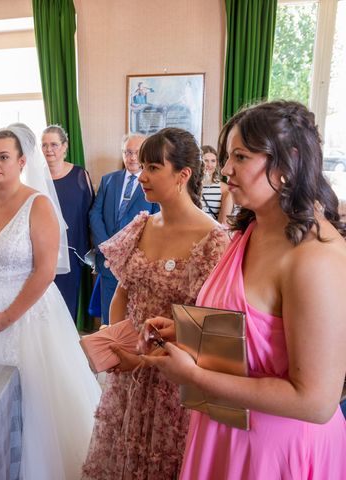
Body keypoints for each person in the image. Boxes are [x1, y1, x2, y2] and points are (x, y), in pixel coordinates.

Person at [142, 101, 346, 479]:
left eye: (240, 156)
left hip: (276, 451)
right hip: (223, 429)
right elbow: (251, 332)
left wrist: (196, 377)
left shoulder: (315, 258)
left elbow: (316, 401)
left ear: (288, 163)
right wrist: (188, 335)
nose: (225, 170)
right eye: (226, 156)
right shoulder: (250, 230)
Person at [0, 124, 101, 480]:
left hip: (26, 315)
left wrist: (7, 317)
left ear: (22, 161)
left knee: (33, 402)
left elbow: (46, 271)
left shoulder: (39, 204)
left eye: (3, 157)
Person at [82, 128, 229, 479]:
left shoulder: (215, 241)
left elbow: (214, 328)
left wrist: (149, 358)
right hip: (130, 375)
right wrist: (118, 343)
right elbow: (122, 292)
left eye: (152, 167)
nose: (142, 175)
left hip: (177, 383)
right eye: (141, 166)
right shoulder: (142, 225)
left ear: (183, 175)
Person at [89, 134, 159, 325]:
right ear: (122, 154)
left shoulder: (153, 182)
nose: (132, 157)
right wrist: (107, 246)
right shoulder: (108, 180)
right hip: (108, 260)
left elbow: (156, 219)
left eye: (137, 153)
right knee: (108, 317)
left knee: (134, 318)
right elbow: (95, 214)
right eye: (128, 152)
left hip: (136, 259)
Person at [42, 125, 93, 324]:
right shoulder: (36, 178)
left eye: (54, 144)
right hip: (42, 254)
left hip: (72, 253)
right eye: (44, 145)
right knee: (44, 308)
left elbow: (90, 213)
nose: (49, 150)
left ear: (64, 147)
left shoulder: (80, 175)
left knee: (66, 306)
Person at [201, 145, 233, 223]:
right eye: (206, 160)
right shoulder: (189, 186)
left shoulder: (223, 188)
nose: (209, 165)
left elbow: (223, 223)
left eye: (213, 161)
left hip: (213, 232)